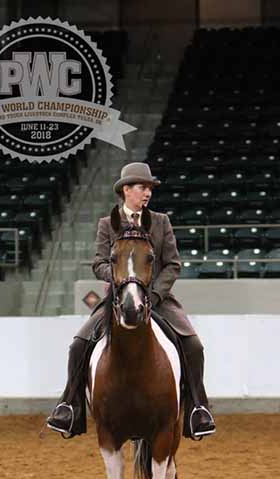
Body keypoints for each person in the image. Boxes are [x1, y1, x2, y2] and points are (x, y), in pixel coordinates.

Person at [47, 162, 216, 439]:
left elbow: (172, 264)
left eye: (150, 188)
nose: (147, 193)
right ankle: (69, 406)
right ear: (126, 190)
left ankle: (198, 408)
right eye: (142, 187)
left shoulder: (161, 222)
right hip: (119, 298)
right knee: (78, 345)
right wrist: (120, 280)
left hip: (158, 298)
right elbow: (99, 263)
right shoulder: (107, 224)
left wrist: (155, 293)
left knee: (194, 346)